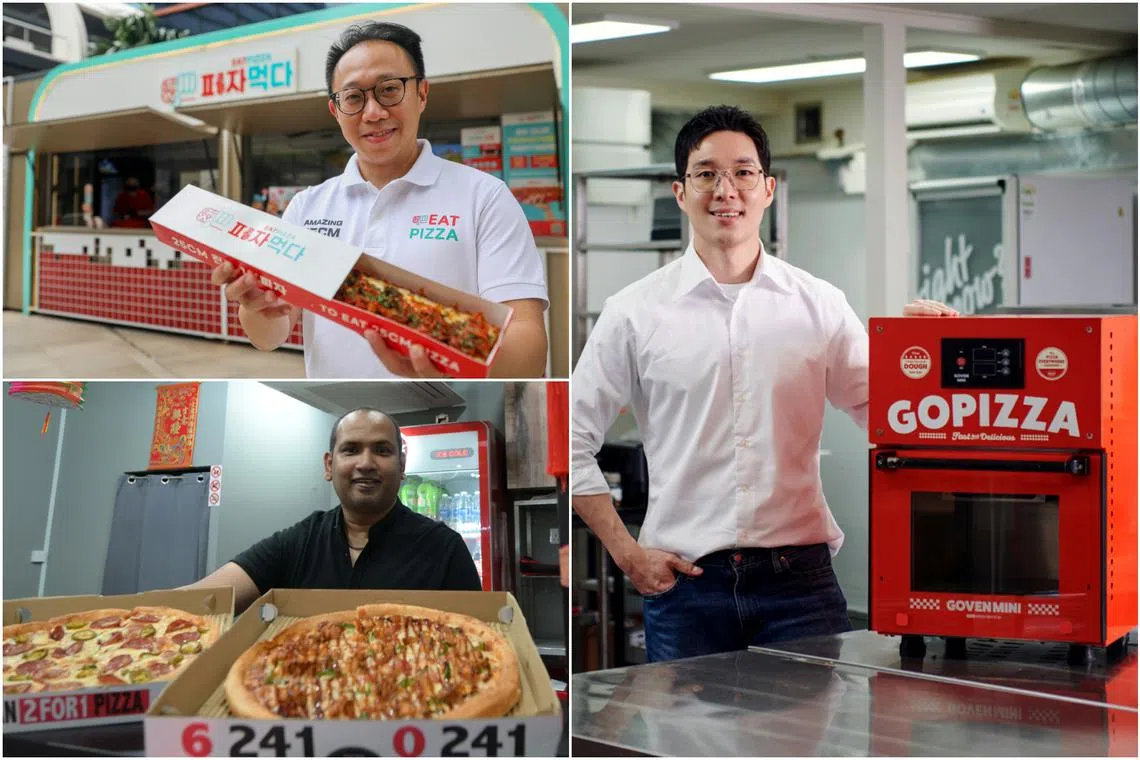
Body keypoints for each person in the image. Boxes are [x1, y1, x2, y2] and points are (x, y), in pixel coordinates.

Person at [571, 105, 957, 663]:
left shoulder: (818, 304)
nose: (725, 189)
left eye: (743, 172)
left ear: (768, 188)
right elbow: (572, 438)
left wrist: (935, 357)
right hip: (686, 588)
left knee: (810, 749)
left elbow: (888, 415)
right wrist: (627, 554)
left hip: (799, 584)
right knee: (685, 751)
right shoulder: (633, 312)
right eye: (706, 173)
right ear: (681, 192)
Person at [212, 21, 549, 379]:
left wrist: (457, 376)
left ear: (421, 94)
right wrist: (259, 308)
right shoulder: (307, 207)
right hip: (341, 408)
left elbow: (526, 342)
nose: (373, 113)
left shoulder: (484, 198)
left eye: (389, 90)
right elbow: (271, 336)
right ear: (336, 111)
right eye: (354, 98)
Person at [184, 407, 480, 612]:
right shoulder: (298, 542)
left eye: (382, 450)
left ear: (401, 466)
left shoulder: (444, 549)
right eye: (351, 450)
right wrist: (143, 613)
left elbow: (475, 646)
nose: (365, 463)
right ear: (329, 465)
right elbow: (206, 597)